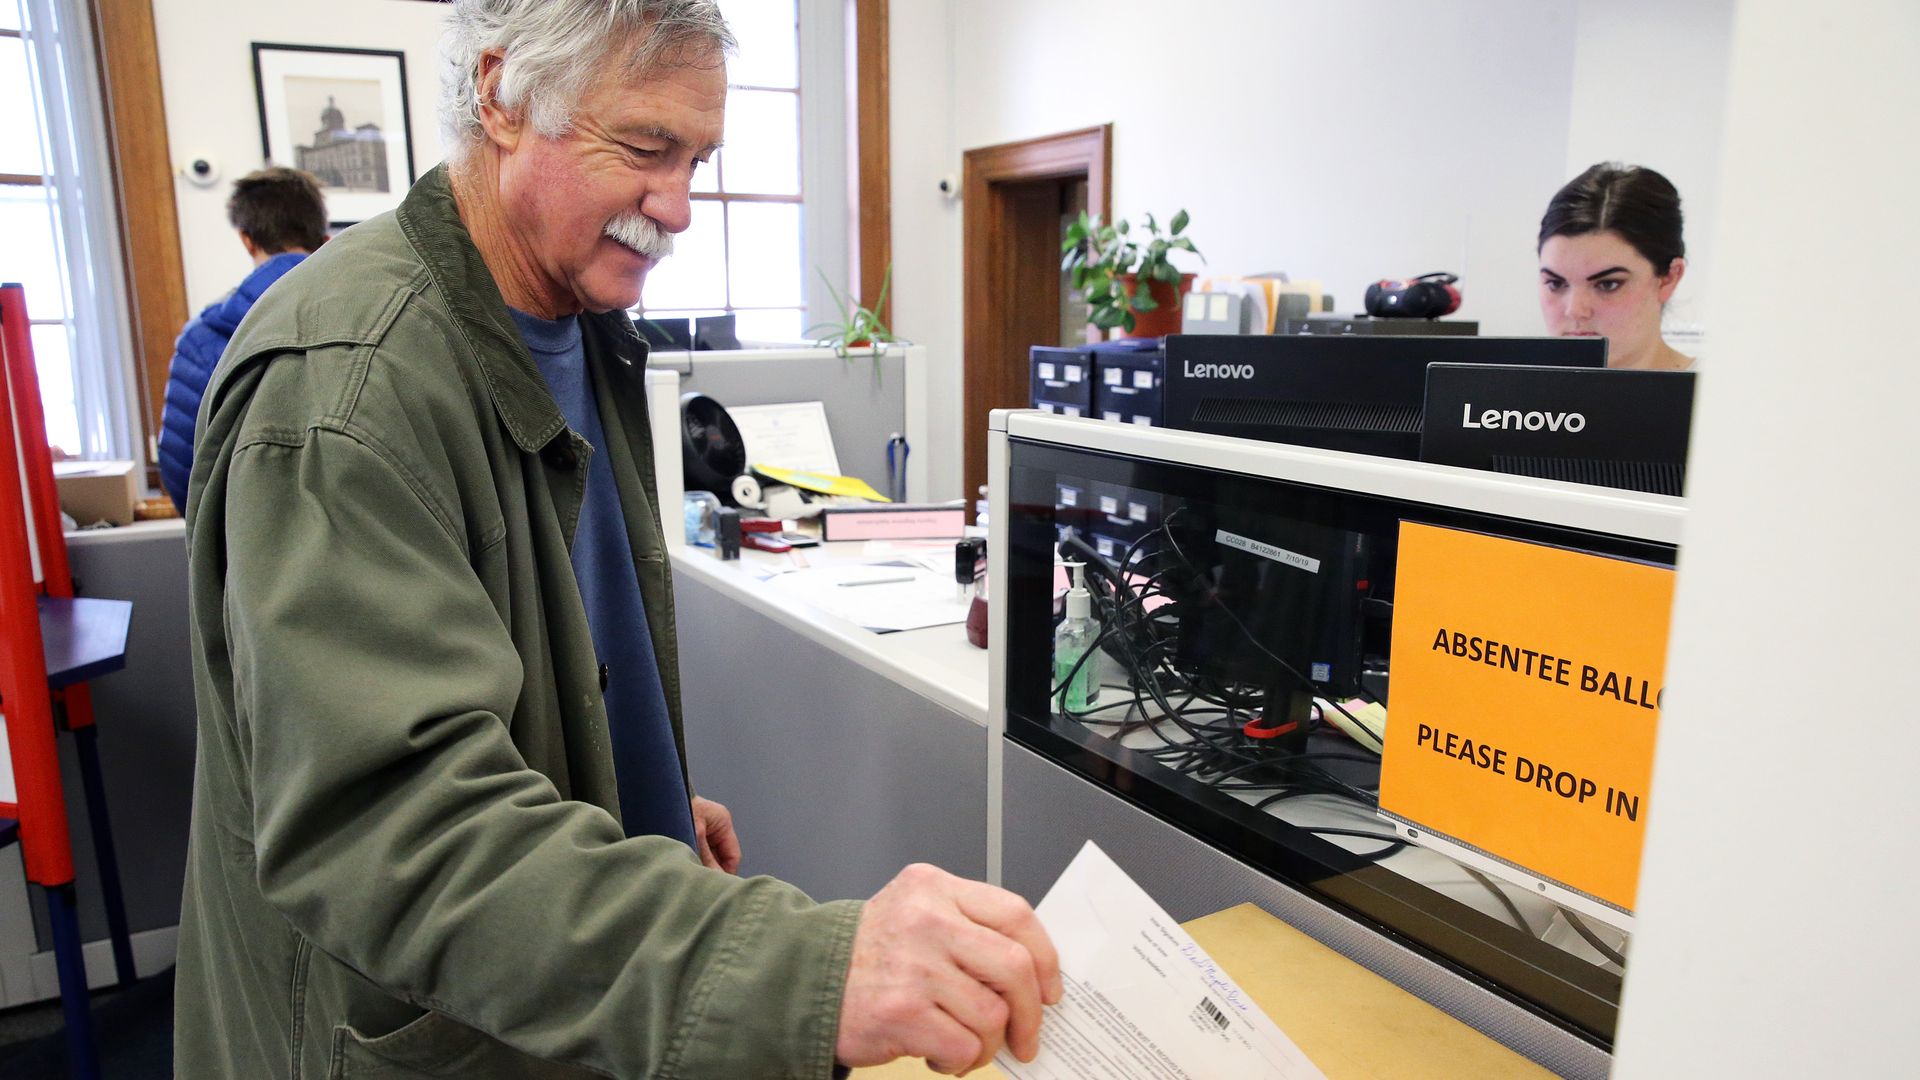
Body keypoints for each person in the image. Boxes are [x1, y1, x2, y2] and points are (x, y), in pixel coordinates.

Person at [172, 2, 1060, 1078]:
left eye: (699, 158)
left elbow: (527, 649)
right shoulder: (345, 390)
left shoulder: (578, 327)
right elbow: (401, 838)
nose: (678, 205)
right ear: (500, 96)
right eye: (645, 148)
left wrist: (615, 779)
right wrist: (813, 973)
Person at [156, 166, 326, 512]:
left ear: (247, 239)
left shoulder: (203, 338)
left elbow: (183, 471)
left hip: (248, 545)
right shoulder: (371, 315)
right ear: (323, 238)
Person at [1537, 162, 1695, 371]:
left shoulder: (1717, 399)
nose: (1575, 310)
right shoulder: (1509, 396)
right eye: (1556, 283)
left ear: (1668, 278)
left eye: (1608, 284)